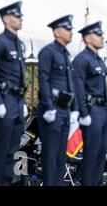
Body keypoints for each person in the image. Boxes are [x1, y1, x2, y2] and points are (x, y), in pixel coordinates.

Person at [0, 1, 27, 186]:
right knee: (0, 153)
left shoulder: (18, 43)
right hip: (5, 100)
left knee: (12, 152)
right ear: (6, 19)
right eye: (17, 16)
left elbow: (20, 77)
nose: (21, 19)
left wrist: (23, 101)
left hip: (17, 102)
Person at [37, 15, 79, 186]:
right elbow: (44, 80)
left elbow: (71, 83)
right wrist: (48, 106)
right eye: (67, 29)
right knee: (51, 157)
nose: (71, 33)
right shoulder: (48, 52)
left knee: (61, 157)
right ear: (56, 32)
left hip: (64, 110)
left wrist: (74, 108)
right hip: (52, 109)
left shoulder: (65, 54)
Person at [72, 21, 107, 186]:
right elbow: (77, 88)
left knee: (101, 154)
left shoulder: (99, 60)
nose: (102, 38)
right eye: (98, 35)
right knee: (92, 154)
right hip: (91, 111)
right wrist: (83, 113)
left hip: (102, 111)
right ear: (87, 38)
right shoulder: (81, 60)